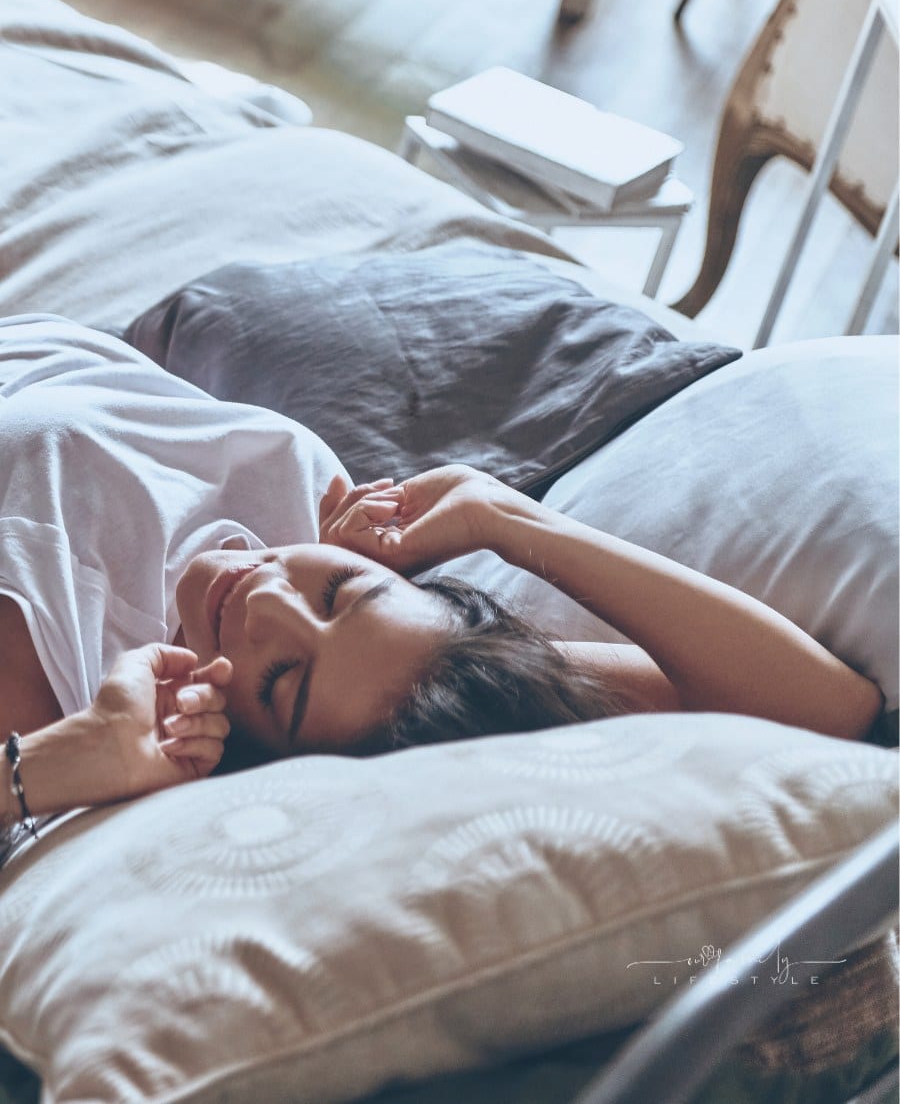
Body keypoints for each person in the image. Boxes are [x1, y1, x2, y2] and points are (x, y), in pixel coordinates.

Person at [0, 316, 888, 859]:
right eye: (341, 594)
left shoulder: (86, 702)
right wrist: (509, 521)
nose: (266, 600)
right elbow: (828, 714)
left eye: (282, 679)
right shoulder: (369, 592)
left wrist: (56, 763)